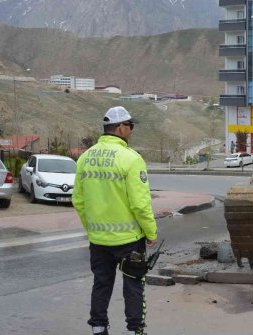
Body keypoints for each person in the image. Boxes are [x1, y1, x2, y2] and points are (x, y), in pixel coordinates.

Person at [73, 106, 158, 335]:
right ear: (120, 127)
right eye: (130, 126)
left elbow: (78, 201)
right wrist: (151, 232)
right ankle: (134, 331)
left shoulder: (84, 158)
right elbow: (140, 205)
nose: (131, 130)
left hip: (98, 239)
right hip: (129, 239)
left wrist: (91, 227)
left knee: (101, 284)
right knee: (133, 285)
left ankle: (98, 329)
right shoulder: (131, 159)